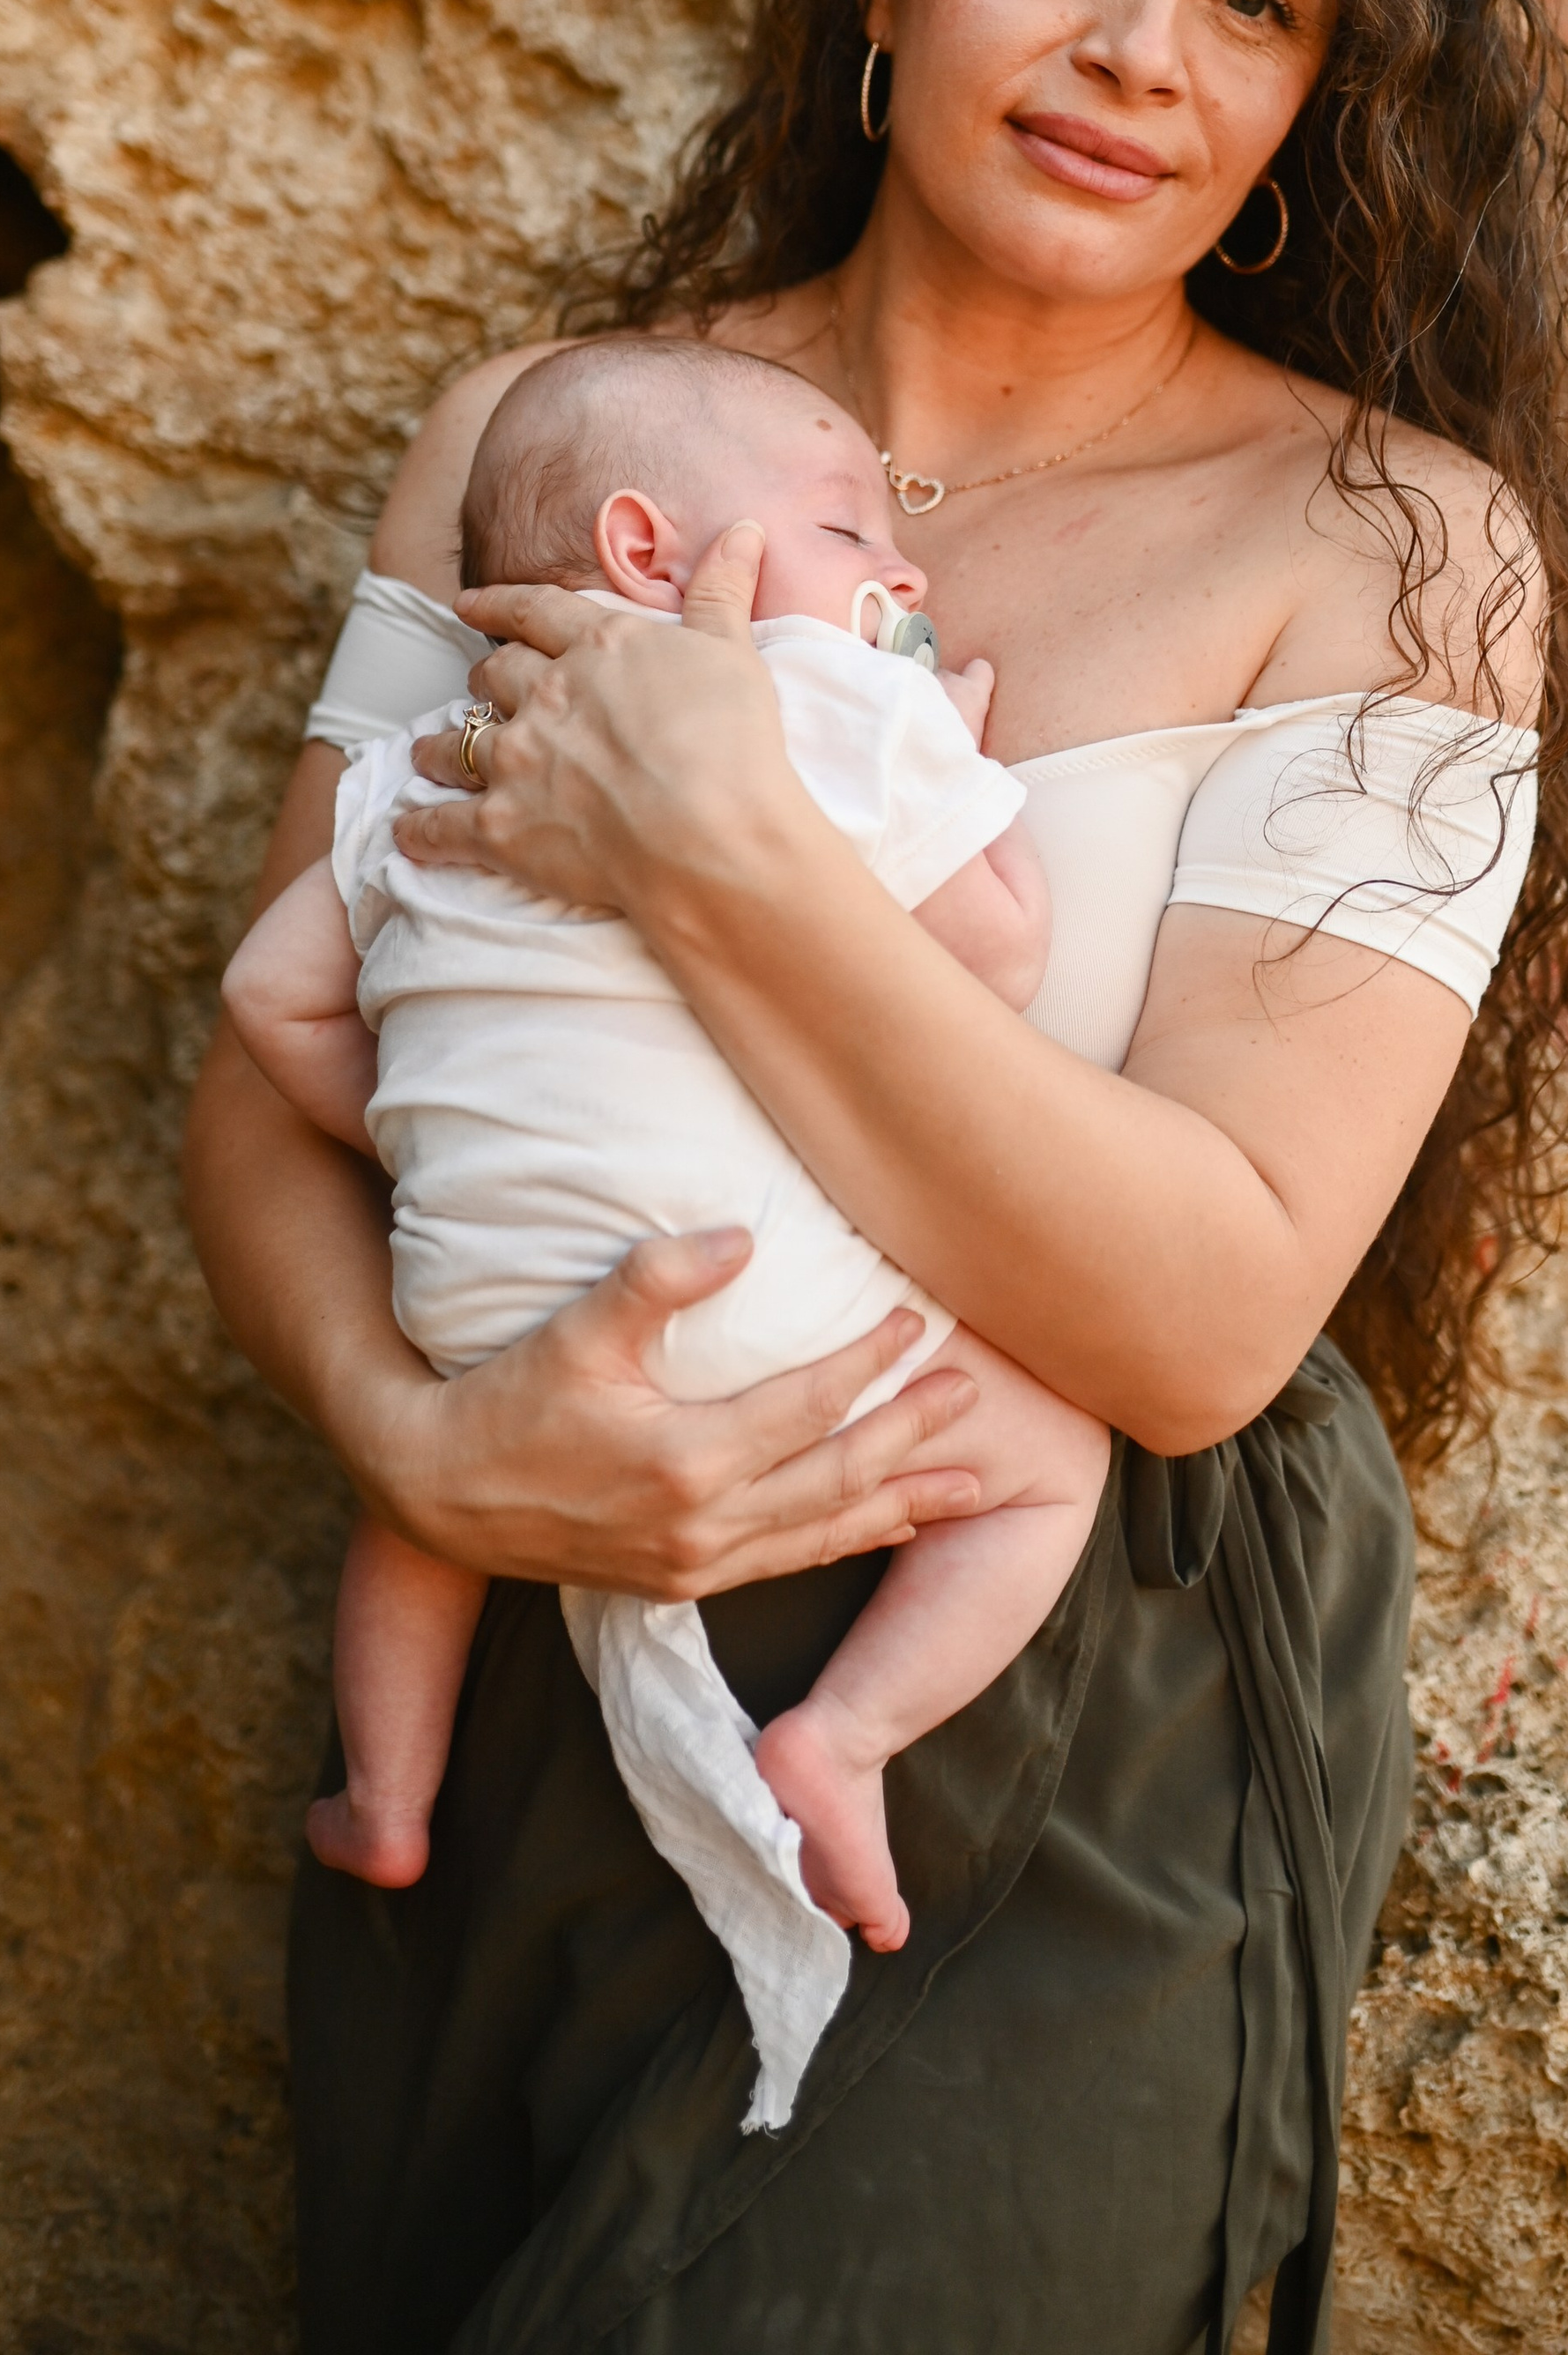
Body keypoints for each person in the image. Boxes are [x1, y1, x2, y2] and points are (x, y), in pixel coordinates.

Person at [183, 0, 1568, 2355]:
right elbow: (277, 1073)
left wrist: (728, 857)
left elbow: (1205, 1321)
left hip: (1051, 1710)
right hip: (509, 1652)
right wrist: (432, 1446)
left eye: (1256, 0)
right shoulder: (538, 443)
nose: (1137, 53)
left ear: (1316, 90)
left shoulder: (1399, 548)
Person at [220, 335, 1104, 2121]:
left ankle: (384, 1797)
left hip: (476, 1293)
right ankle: (843, 1737)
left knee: (424, 1500)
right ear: (649, 551)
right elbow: (1003, 950)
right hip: (760, 1300)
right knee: (1050, 1458)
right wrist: (946, 748)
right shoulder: (822, 702)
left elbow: (268, 996)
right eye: (849, 529)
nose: (902, 567)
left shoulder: (423, 758)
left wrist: (434, 1139)